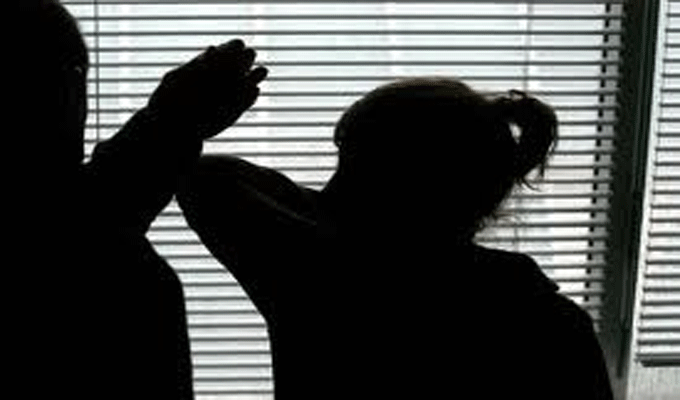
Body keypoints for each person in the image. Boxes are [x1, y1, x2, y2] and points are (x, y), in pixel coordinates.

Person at [178, 78, 615, 399]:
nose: (329, 188)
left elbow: (205, 176)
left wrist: (182, 120)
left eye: (350, 166)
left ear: (388, 182)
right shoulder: (552, 322)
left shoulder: (319, 280)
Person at [11, 1, 266, 398]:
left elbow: (95, 202)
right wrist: (174, 119)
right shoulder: (110, 269)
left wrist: (173, 119)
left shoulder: (83, 225)